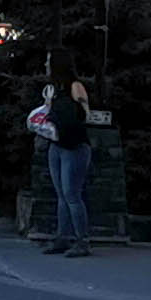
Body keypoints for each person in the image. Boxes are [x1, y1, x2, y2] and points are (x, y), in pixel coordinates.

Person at [44, 76, 94, 255]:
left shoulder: (75, 86)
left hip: (74, 145)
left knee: (72, 194)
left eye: (50, 60)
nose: (46, 64)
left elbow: (84, 114)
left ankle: (82, 240)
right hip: (56, 144)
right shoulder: (53, 89)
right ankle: (62, 237)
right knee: (62, 195)